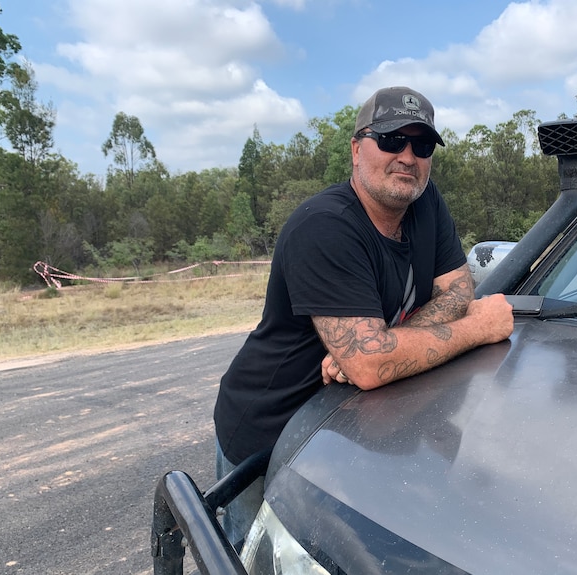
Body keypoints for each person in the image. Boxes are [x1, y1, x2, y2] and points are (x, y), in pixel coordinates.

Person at [213, 86, 514, 547]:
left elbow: (456, 292)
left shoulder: (425, 203)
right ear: (357, 149)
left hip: (345, 426)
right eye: (392, 141)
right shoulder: (325, 226)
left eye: (422, 145)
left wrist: (383, 344)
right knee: (260, 553)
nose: (407, 157)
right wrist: (478, 327)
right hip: (269, 431)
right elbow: (373, 365)